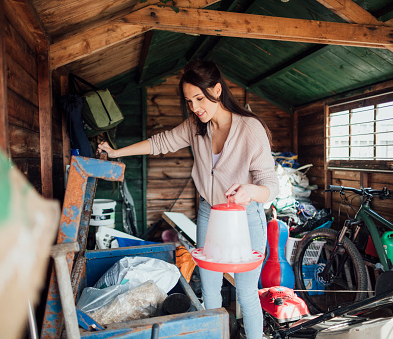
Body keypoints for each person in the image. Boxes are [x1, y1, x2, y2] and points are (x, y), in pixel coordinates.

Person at [98, 60, 279, 339]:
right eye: (189, 101)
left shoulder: (249, 128)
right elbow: (160, 142)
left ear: (217, 90)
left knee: (245, 293)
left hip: (246, 218)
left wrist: (249, 190)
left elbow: (270, 185)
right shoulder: (196, 126)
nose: (194, 107)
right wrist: (116, 153)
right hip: (211, 213)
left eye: (199, 98)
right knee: (209, 288)